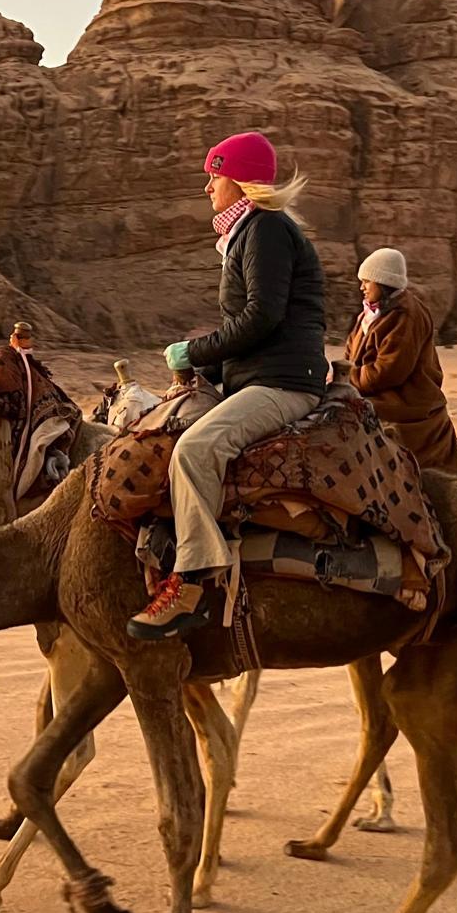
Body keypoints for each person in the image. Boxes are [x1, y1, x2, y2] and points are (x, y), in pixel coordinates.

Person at [128, 131, 328, 638]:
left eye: (214, 177)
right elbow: (254, 331)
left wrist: (194, 352)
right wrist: (206, 372)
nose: (207, 188)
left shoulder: (266, 229)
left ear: (240, 181)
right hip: (259, 376)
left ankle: (192, 584)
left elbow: (262, 317)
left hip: (283, 384)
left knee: (195, 450)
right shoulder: (249, 232)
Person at [343, 247, 457, 474]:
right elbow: (350, 353)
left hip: (403, 402)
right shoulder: (368, 315)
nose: (362, 287)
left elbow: (389, 372)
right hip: (370, 391)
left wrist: (347, 378)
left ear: (383, 283)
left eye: (367, 282)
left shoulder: (406, 316)